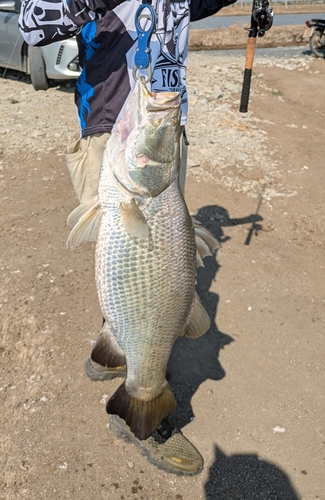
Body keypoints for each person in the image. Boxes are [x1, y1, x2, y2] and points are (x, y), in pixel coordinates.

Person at [19, 0, 236, 475]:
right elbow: (32, 22)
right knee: (131, 265)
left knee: (151, 271)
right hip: (113, 132)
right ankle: (141, 397)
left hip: (162, 132)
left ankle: (127, 372)